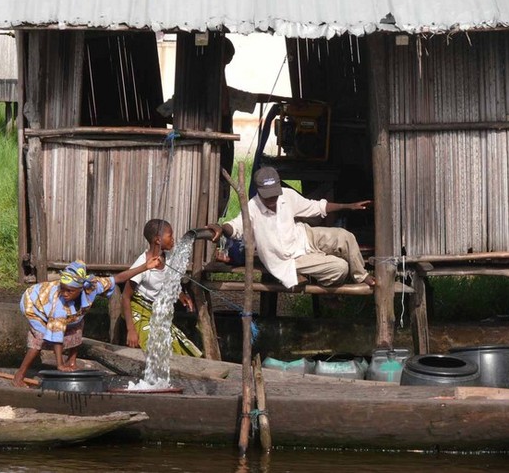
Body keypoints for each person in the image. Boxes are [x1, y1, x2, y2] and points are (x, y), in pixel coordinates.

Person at [157, 37, 291, 216]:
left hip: (222, 153)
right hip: (189, 155)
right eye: (220, 65)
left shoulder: (228, 95)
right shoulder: (187, 95)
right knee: (190, 193)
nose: (221, 71)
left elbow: (255, 97)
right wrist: (180, 126)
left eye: (224, 65)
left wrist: (289, 101)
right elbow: (161, 113)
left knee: (217, 192)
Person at [208, 167, 376, 289]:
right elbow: (234, 226)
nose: (273, 199)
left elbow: (316, 207)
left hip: (304, 236)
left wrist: (349, 206)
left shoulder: (286, 195)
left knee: (345, 236)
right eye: (268, 196)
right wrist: (221, 228)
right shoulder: (252, 208)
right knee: (340, 268)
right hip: (288, 259)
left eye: (275, 194)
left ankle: (361, 275)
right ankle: (318, 279)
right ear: (259, 192)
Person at [12, 256, 162, 387]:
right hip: (34, 303)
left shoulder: (92, 286)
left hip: (61, 309)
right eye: (63, 289)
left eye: (69, 291)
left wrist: (145, 267)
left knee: (76, 324)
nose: (65, 293)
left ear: (80, 289)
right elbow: (56, 336)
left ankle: (72, 361)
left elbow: (118, 278)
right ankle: (19, 375)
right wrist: (59, 365)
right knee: (39, 339)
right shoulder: (60, 304)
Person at [121, 219, 202, 357]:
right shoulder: (142, 265)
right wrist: (131, 330)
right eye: (170, 236)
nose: (173, 239)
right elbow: (125, 297)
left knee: (180, 346)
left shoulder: (168, 257)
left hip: (155, 311)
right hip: (138, 310)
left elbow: (170, 281)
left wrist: (181, 295)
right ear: (158, 240)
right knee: (155, 348)